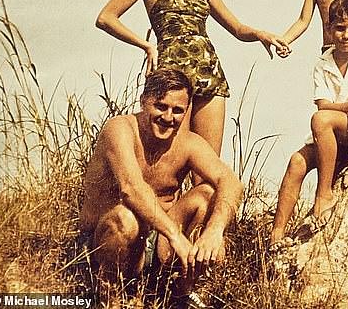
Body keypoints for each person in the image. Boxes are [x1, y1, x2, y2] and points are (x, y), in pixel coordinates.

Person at [96, 0, 290, 158]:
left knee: (208, 165)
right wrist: (147, 46)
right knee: (169, 163)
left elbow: (238, 29)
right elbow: (106, 17)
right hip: (172, 75)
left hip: (209, 73)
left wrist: (262, 34)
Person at [79, 68, 244, 307]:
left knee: (206, 196)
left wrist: (214, 231)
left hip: (159, 243)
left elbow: (231, 181)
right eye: (161, 106)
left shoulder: (187, 142)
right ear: (144, 101)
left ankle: (177, 294)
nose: (168, 117)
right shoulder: (120, 129)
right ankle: (111, 298)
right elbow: (131, 189)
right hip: (108, 241)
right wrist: (176, 235)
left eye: (177, 110)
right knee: (125, 218)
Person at [270, 0, 348, 245]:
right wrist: (347, 106)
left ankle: (324, 192)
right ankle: (276, 235)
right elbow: (324, 104)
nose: (346, 35)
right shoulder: (323, 62)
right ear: (328, 29)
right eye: (339, 28)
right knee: (297, 161)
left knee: (321, 120)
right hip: (331, 132)